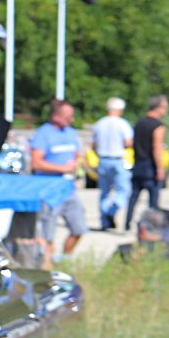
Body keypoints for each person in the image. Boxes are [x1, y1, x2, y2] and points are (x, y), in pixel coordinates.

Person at [29, 98, 88, 260]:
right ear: (55, 116)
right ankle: (48, 266)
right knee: (48, 235)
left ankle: (64, 260)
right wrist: (62, 168)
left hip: (68, 188)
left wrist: (78, 162)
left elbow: (76, 154)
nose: (72, 120)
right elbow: (36, 162)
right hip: (49, 189)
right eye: (68, 117)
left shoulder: (71, 132)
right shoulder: (43, 134)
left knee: (79, 228)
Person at [126, 94, 168, 230]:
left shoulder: (139, 122)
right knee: (153, 200)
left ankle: (127, 224)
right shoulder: (158, 126)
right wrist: (160, 168)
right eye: (165, 107)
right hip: (150, 166)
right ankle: (151, 228)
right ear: (159, 107)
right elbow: (157, 148)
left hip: (137, 163)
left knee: (133, 198)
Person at [91, 97, 134, 231]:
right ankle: (112, 210)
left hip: (102, 160)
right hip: (117, 160)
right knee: (124, 190)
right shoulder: (122, 124)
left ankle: (104, 222)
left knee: (104, 192)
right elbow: (128, 143)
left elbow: (93, 145)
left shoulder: (99, 124)